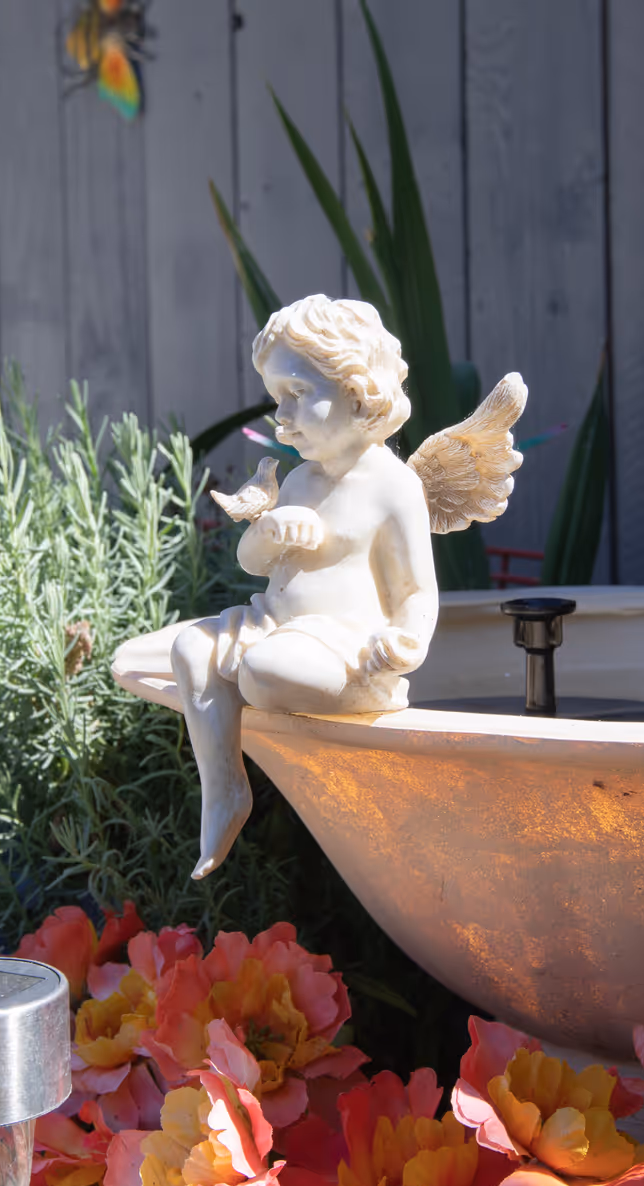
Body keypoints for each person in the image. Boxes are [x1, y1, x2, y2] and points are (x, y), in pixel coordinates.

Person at [171, 296, 440, 879]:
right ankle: (225, 791)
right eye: (276, 400)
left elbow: (417, 591)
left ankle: (365, 690)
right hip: (273, 622)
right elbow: (251, 561)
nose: (281, 416)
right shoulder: (296, 479)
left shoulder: (393, 487)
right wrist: (267, 531)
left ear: (356, 390)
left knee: (264, 672)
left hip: (343, 643)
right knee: (190, 648)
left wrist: (406, 642)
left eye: (296, 394)